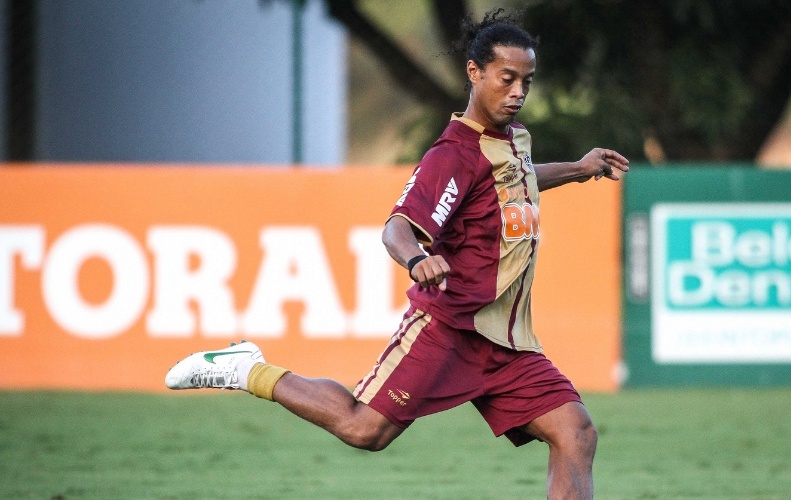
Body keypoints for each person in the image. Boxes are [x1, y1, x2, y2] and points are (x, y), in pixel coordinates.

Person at [165, 9, 628, 499]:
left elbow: (518, 181)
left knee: (575, 433)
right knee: (365, 429)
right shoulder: (454, 155)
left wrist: (578, 169)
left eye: (526, 81)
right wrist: (416, 259)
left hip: (504, 338)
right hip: (449, 327)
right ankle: (246, 369)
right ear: (475, 73)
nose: (518, 92)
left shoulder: (509, 141)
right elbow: (397, 228)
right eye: (507, 78)